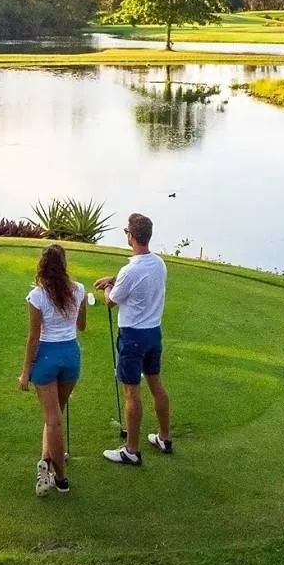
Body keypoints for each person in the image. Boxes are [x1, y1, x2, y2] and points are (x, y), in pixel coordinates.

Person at [94, 212, 172, 466]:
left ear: (131, 237)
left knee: (131, 392)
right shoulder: (159, 263)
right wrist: (114, 280)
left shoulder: (130, 270)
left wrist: (108, 287)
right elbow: (137, 282)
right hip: (153, 333)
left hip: (132, 337)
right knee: (156, 384)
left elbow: (111, 301)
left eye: (126, 232)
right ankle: (164, 437)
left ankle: (132, 450)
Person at [19, 244, 87, 496]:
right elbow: (81, 325)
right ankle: (46, 460)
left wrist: (26, 371)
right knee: (56, 415)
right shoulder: (78, 290)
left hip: (47, 358)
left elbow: (33, 338)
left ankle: (61, 478)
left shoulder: (37, 296)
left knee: (53, 419)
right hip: (70, 356)